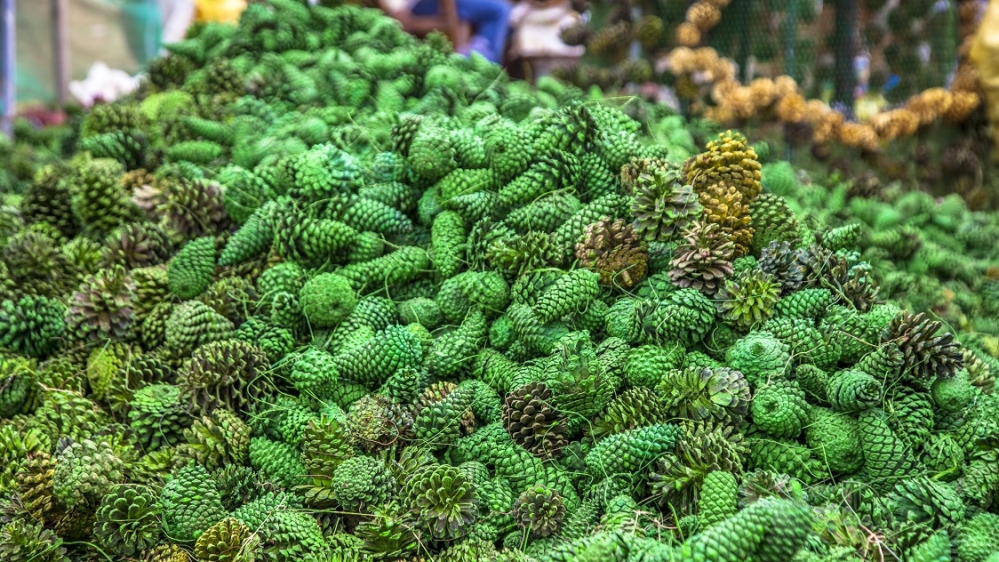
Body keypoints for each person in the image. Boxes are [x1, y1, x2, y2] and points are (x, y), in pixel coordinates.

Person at [387, 0, 512, 64]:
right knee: (499, 11)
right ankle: (484, 61)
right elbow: (403, 20)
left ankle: (482, 55)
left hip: (424, 7)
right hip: (423, 6)